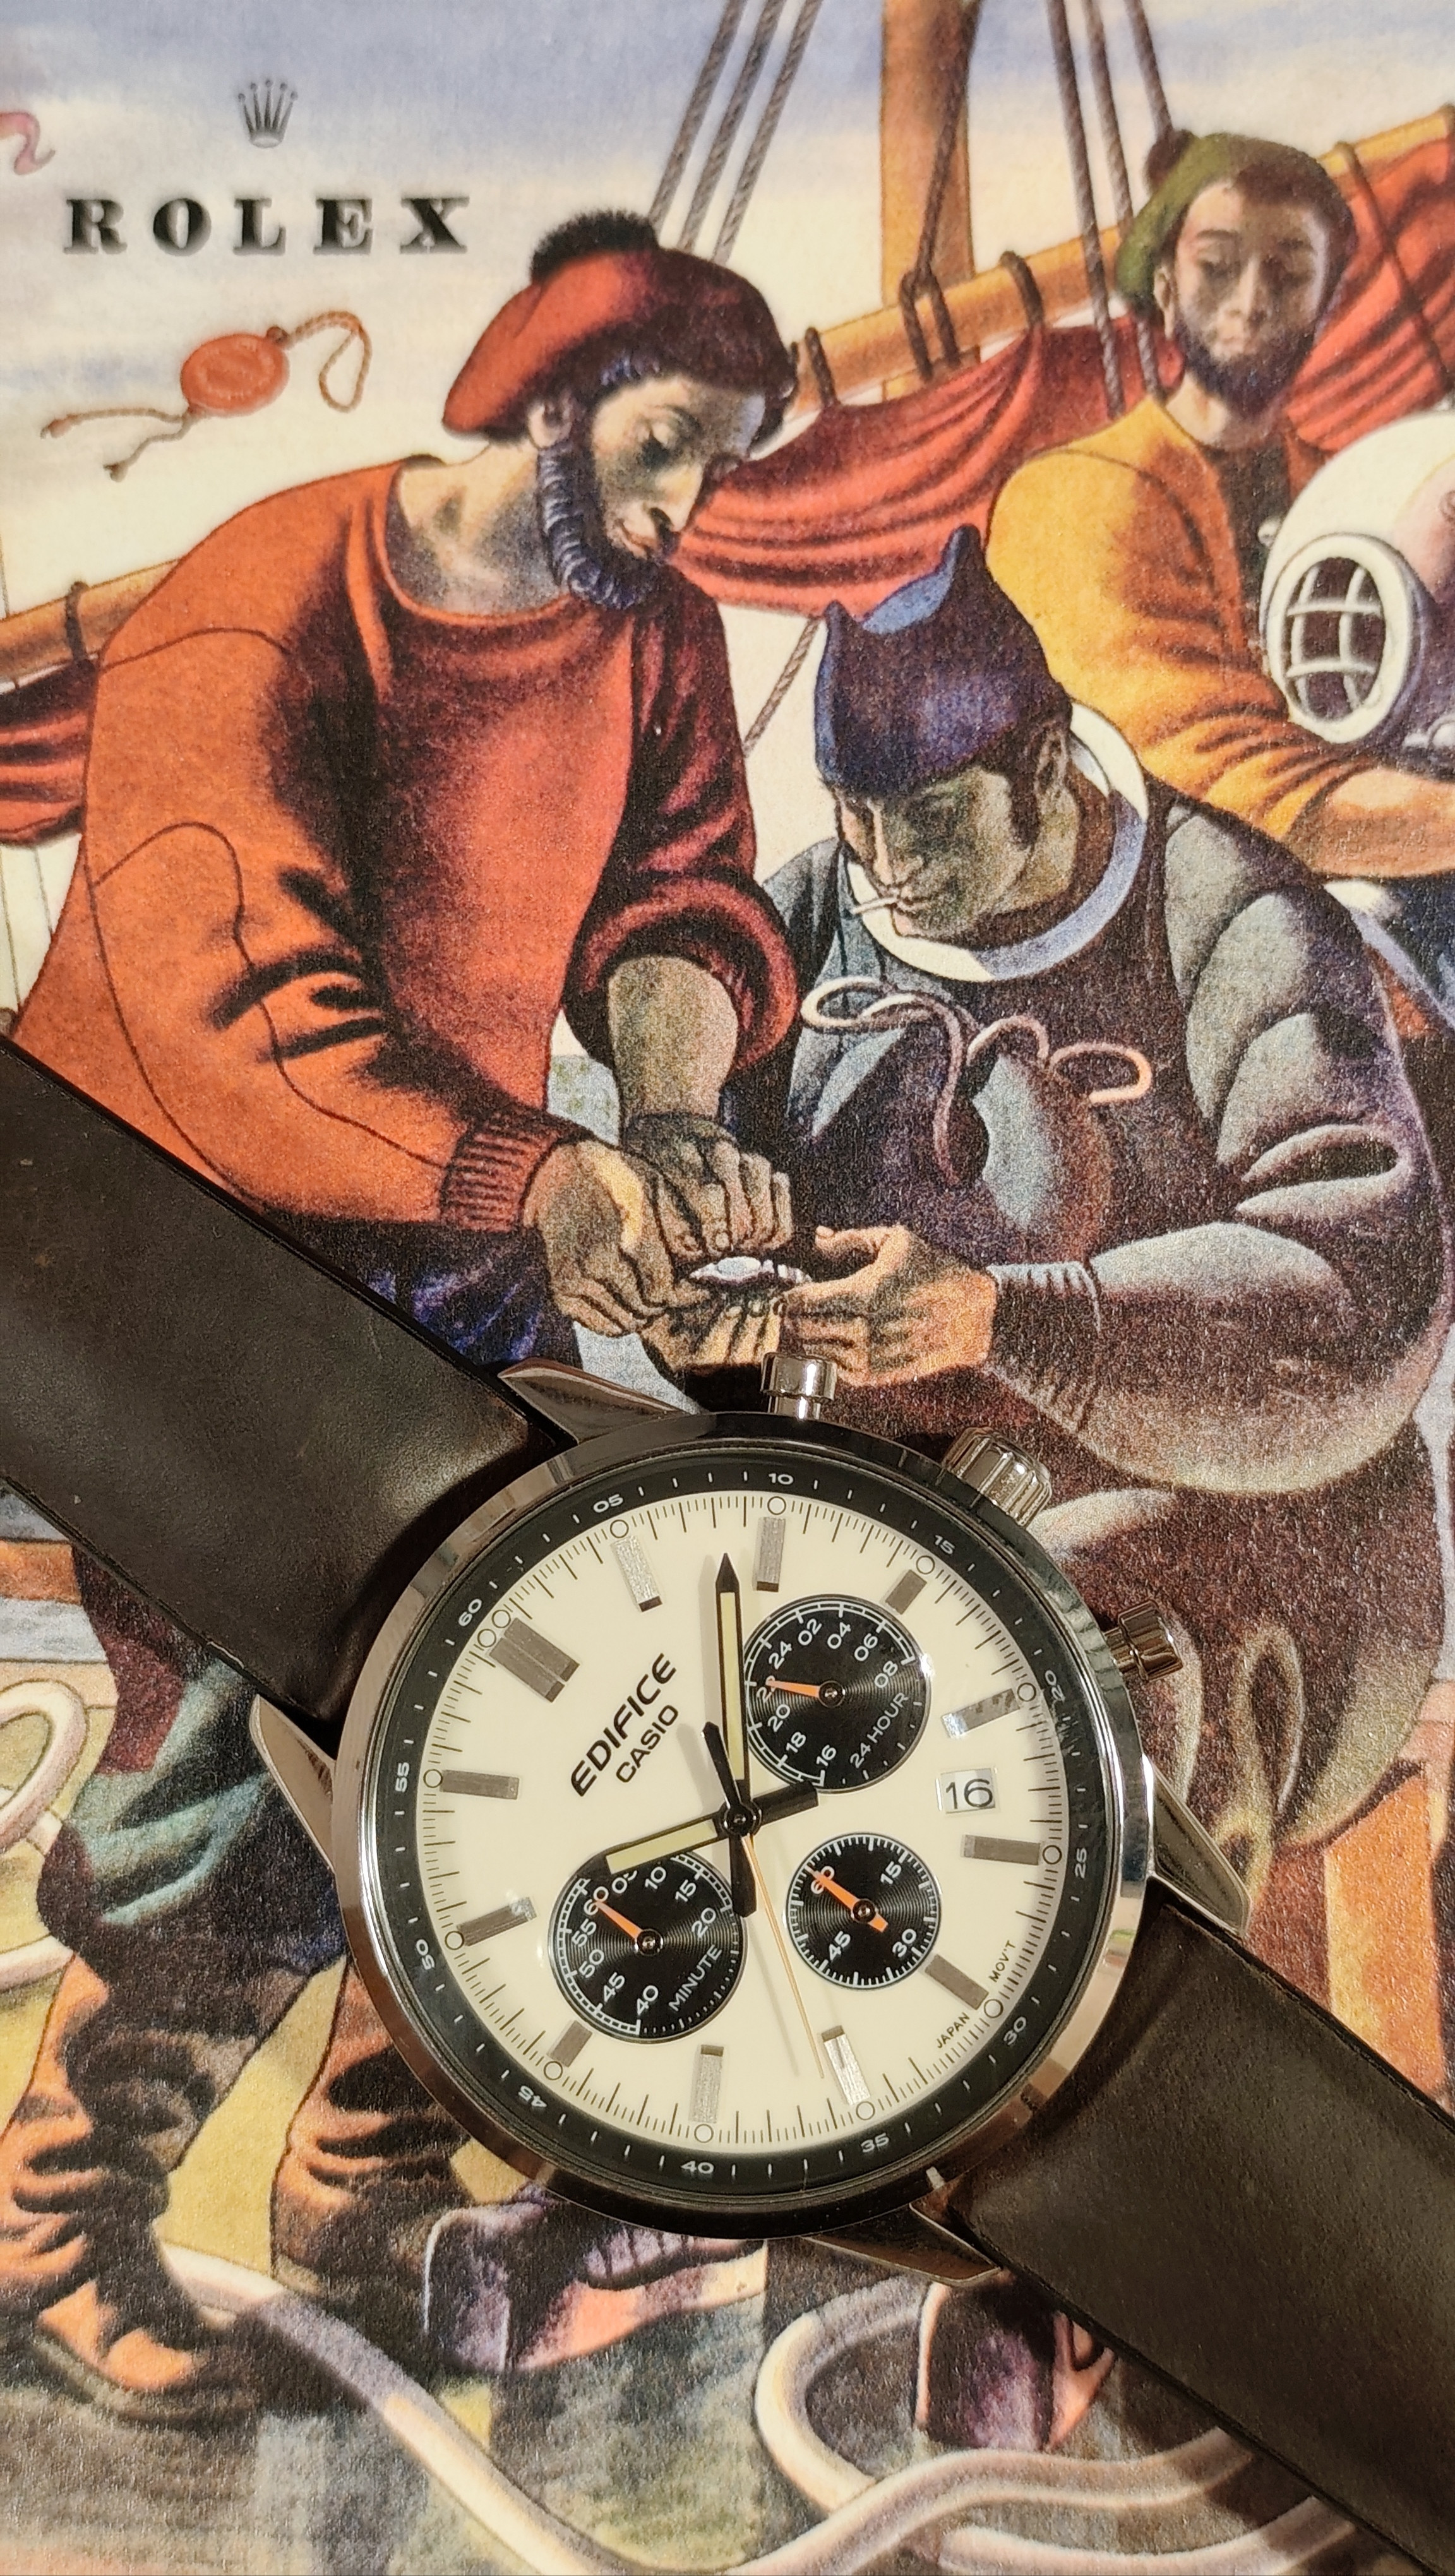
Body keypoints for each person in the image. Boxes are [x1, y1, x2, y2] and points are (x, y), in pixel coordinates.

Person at [0, 210, 797, 2416]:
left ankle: (370, 2200)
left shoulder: (650, 621)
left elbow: (681, 895)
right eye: (664, 443)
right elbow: (234, 1016)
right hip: (152, 1258)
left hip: (450, 1241)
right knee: (238, 1739)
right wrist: (537, 1174)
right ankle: (49, 2232)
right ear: (548, 393)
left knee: (530, 1693)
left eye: (721, 462)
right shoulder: (256, 609)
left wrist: (666, 1110)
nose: (685, 506)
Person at [712, 529, 1450, 1926]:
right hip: (899, 1516)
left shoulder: (1237, 921)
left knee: (1066, 1647)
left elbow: (1357, 1283)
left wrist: (1010, 1320)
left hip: (1235, 1534)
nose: (884, 868)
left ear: (1043, 766)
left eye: (929, 820)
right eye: (855, 820)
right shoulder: (810, 916)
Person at [986, 130, 1455, 885]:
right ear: (1166, 288)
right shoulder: (1069, 500)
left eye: (1289, 273)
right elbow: (1224, 785)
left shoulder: (1353, 496)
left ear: (1326, 301)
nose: (1252, 302)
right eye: (1217, 267)